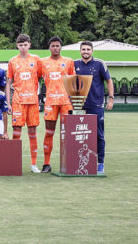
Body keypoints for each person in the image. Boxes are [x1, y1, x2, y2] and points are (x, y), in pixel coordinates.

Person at [74, 41, 114, 174]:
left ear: (92, 51)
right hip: (79, 106)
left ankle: (100, 163)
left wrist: (111, 98)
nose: (86, 51)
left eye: (88, 49)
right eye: (83, 49)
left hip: (96, 105)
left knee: (98, 135)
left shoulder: (99, 64)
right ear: (80, 51)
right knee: (79, 136)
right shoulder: (74, 64)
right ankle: (79, 163)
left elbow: (109, 81)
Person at [5, 34, 43, 173]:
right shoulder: (12, 61)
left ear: (29, 45)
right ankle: (15, 163)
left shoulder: (36, 60)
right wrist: (8, 102)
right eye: (20, 45)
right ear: (17, 46)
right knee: (16, 132)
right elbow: (8, 83)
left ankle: (34, 164)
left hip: (32, 101)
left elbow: (39, 77)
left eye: (25, 44)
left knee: (32, 132)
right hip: (18, 102)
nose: (23, 47)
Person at [40, 36, 76, 173]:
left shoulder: (69, 61)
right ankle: (46, 164)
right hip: (50, 102)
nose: (55, 48)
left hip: (66, 102)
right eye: (52, 46)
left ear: (61, 47)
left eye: (57, 46)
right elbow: (36, 78)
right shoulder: (42, 62)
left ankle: (68, 163)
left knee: (67, 133)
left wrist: (74, 100)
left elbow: (73, 82)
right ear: (49, 47)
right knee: (49, 132)